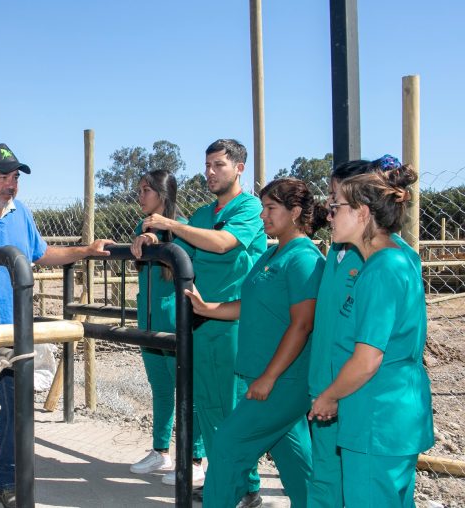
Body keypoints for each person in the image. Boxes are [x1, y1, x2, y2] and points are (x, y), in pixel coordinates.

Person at [0, 143, 112, 508]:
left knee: (18, 414)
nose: (11, 185)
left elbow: (41, 253)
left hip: (16, 334)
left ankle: (6, 483)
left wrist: (84, 250)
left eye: (15, 177)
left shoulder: (21, 214)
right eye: (3, 177)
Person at [138, 139, 266, 507]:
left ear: (239, 168)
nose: (210, 172)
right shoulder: (202, 214)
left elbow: (224, 243)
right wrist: (153, 238)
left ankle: (248, 487)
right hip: (201, 321)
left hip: (233, 322)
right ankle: (223, 480)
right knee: (208, 407)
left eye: (219, 165)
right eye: (207, 165)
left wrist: (169, 225)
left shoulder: (249, 208)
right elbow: (185, 251)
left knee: (232, 408)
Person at [185, 178, 327, 508]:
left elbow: (303, 324)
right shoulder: (272, 253)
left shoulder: (304, 258)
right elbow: (249, 303)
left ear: (294, 212)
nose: (263, 215)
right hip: (263, 375)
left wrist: (269, 377)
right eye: (262, 208)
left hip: (282, 380)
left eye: (270, 209)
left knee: (227, 445)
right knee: (295, 461)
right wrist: (208, 309)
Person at [309, 161, 433, 507]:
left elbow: (367, 358)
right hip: (393, 417)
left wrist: (329, 396)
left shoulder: (381, 270)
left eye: (336, 207)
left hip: (375, 419)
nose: (329, 216)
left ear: (363, 213)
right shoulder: (397, 259)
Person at [128, 170, 206, 486]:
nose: (140, 195)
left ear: (164, 193)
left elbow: (181, 257)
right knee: (161, 389)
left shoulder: (184, 227)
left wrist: (154, 239)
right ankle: (161, 451)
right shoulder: (141, 223)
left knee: (189, 390)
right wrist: (144, 236)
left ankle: (195, 458)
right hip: (147, 319)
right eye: (140, 189)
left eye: (147, 189)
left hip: (175, 320)